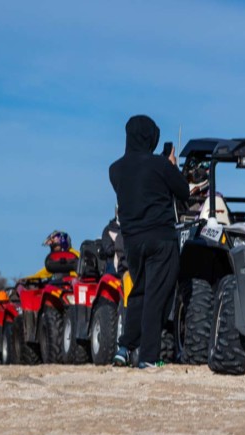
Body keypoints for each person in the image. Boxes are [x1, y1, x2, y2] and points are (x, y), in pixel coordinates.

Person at [109, 115, 189, 369]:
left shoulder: (115, 169)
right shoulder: (160, 165)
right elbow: (184, 191)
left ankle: (124, 347)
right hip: (161, 238)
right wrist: (172, 165)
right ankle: (148, 357)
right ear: (151, 137)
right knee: (157, 295)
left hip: (132, 241)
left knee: (139, 291)